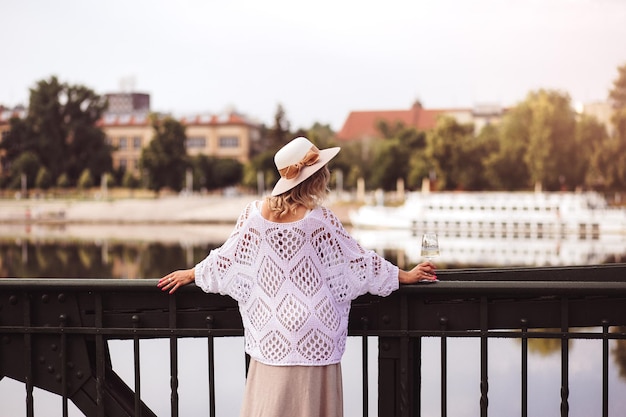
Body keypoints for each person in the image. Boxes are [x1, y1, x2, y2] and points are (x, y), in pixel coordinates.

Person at [157, 136, 437, 417]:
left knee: (269, 408)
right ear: (314, 178)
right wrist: (404, 275)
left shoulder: (253, 216)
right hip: (315, 331)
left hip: (271, 329)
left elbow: (226, 260)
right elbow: (359, 263)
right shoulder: (319, 219)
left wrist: (192, 273)